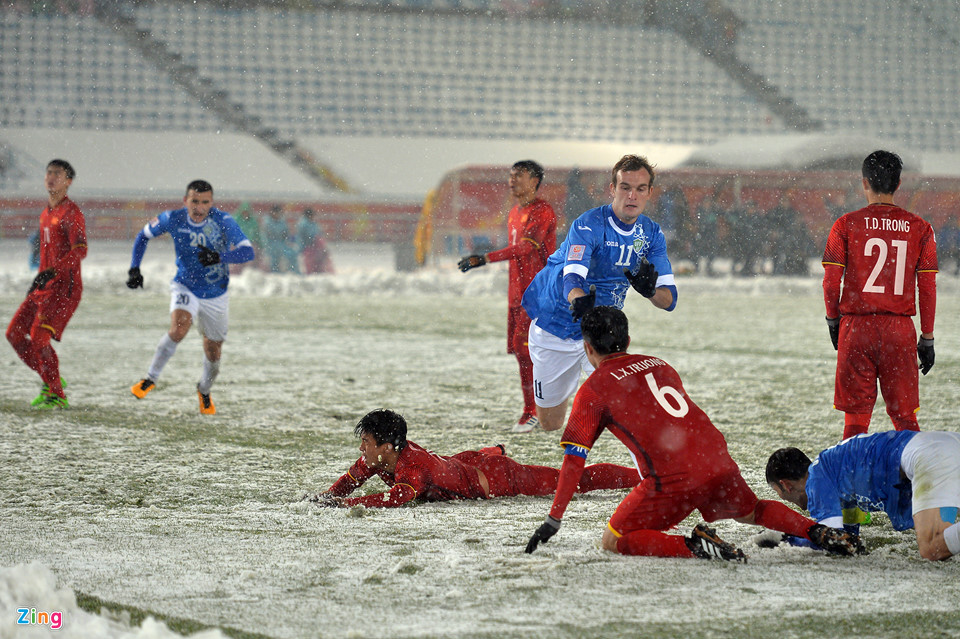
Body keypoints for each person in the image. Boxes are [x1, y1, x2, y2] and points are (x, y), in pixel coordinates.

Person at [524, 306, 863, 560]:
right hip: (715, 458)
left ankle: (695, 546)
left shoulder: (594, 389)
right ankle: (817, 531)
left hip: (673, 478)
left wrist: (554, 519)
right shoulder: (660, 364)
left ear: (587, 348)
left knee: (614, 540)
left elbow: (574, 461)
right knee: (753, 511)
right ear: (627, 340)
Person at [519, 154, 677, 433]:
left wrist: (650, 290)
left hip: (603, 332)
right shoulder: (588, 224)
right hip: (556, 323)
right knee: (551, 424)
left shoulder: (651, 234)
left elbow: (669, 301)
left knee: (627, 411)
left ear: (650, 192)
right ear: (612, 189)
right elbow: (572, 278)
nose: (632, 195)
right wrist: (579, 301)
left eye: (640, 188)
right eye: (625, 187)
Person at [822, 150, 938, 439]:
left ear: (864, 183)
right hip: (899, 330)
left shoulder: (845, 224)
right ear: (898, 185)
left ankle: (850, 481)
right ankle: (917, 476)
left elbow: (830, 283)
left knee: (856, 418)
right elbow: (926, 287)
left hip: (856, 327)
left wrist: (833, 320)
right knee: (904, 416)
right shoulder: (921, 228)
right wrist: (927, 336)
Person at [307, 409, 640, 508]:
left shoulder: (412, 468)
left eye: (365, 443)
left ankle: (641, 477)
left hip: (495, 479)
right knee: (456, 464)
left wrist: (345, 506)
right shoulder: (378, 458)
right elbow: (349, 482)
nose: (361, 450)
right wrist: (324, 498)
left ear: (388, 447)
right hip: (459, 464)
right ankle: (489, 452)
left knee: (578, 482)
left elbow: (396, 499)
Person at [126, 180, 254, 415]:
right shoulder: (172, 218)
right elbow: (142, 236)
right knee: (179, 328)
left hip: (216, 293)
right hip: (185, 286)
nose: (199, 207)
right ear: (185, 201)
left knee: (213, 351)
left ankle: (204, 390)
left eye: (205, 202)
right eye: (194, 201)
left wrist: (219, 257)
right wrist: (135, 268)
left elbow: (248, 251)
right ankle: (150, 379)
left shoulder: (223, 221)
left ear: (211, 203)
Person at [458, 160, 557, 432]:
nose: (512, 180)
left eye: (519, 176)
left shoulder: (542, 211)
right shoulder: (515, 212)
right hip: (516, 293)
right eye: (511, 175)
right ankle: (535, 409)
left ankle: (535, 411)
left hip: (536, 293)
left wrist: (485, 258)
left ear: (535, 181)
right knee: (519, 351)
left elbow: (526, 249)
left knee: (529, 350)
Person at [766, 430, 960, 561]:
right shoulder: (833, 470)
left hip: (931, 455)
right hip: (944, 443)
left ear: (786, 485)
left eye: (778, 492)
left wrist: (784, 539)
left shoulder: (817, 479)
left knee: (932, 547)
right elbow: (849, 539)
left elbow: (833, 541)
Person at [6, 159, 86, 409]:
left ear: (68, 181)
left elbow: (80, 251)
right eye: (48, 173)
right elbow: (46, 252)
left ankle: (57, 395)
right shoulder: (46, 213)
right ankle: (50, 380)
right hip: (45, 285)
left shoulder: (71, 213)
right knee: (15, 334)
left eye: (58, 174)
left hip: (64, 289)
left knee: (40, 339)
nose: (51, 177)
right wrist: (39, 278)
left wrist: (53, 271)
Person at [262, 205, 300, 274]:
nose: (278, 215)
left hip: (282, 244)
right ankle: (274, 273)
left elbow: (286, 234)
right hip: (271, 244)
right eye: (277, 213)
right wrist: (266, 245)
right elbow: (265, 236)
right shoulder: (267, 222)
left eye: (280, 213)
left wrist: (291, 240)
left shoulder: (282, 222)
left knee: (292, 254)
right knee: (274, 259)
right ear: (272, 213)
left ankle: (293, 272)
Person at [296, 207, 334, 274]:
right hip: (307, 246)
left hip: (315, 246)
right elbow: (308, 236)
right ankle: (312, 271)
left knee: (322, 254)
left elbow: (319, 233)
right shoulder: (304, 224)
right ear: (309, 215)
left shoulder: (313, 223)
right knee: (312, 259)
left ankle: (319, 270)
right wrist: (316, 240)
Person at [232, 202, 262, 273]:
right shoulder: (236, 221)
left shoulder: (253, 222)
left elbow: (257, 235)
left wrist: (260, 245)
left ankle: (248, 272)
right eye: (244, 212)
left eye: (247, 212)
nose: (245, 214)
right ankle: (238, 272)